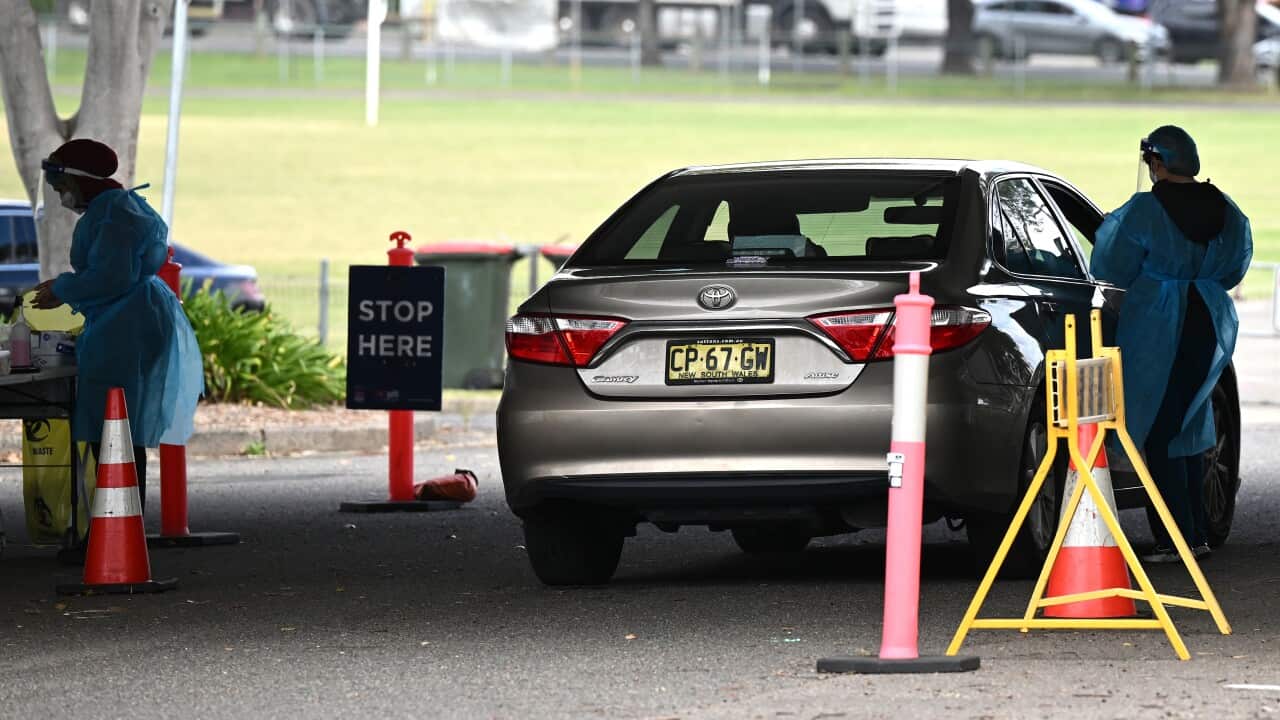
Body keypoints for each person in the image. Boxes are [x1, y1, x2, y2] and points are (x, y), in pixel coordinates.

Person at [1090, 126, 1252, 563]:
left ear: (1157, 162)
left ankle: (1174, 538)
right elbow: (1236, 265)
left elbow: (1109, 263)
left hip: (1157, 322)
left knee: (1158, 429)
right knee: (1187, 425)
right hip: (1208, 317)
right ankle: (1195, 533)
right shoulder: (1226, 207)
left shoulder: (1144, 209)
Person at [30, 139, 203, 510]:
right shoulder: (120, 208)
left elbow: (111, 276)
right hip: (127, 320)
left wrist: (63, 288)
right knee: (121, 429)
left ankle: (116, 531)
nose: (62, 197)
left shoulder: (114, 216)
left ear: (82, 181)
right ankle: (118, 527)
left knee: (114, 431)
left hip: (125, 327)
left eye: (63, 188)